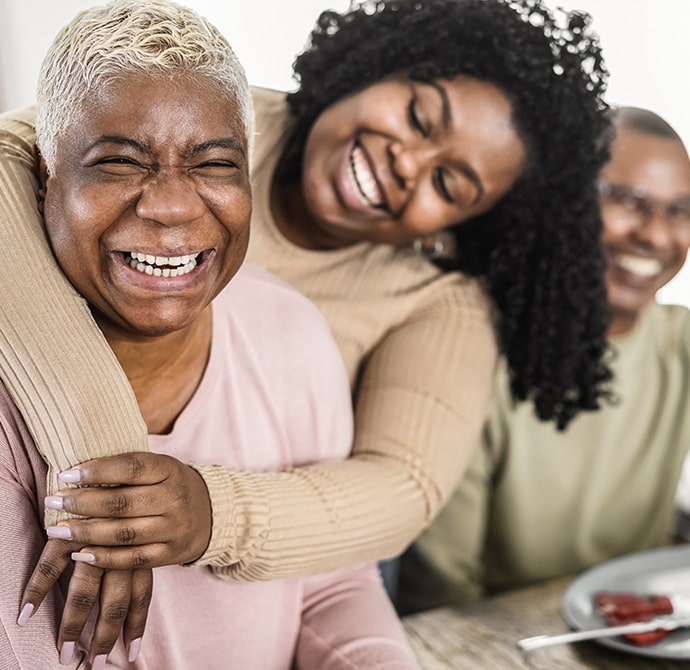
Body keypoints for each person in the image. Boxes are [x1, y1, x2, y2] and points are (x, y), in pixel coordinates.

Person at [1, 0, 613, 657]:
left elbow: (399, 492)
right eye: (416, 116)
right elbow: (20, 153)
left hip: (294, 556)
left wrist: (207, 511)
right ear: (374, 67)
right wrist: (99, 462)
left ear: (459, 226)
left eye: (449, 182)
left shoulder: (423, 303)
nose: (409, 163)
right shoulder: (203, 109)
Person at [0, 1, 421, 668]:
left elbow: (331, 586)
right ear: (48, 177)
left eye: (213, 163)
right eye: (117, 161)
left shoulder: (289, 331)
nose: (170, 206)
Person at [397, 105, 690, 614]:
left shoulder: (677, 343)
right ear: (560, 200)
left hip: (640, 633)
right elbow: (443, 594)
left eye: (680, 210)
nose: (657, 235)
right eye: (627, 200)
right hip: (496, 641)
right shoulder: (467, 346)